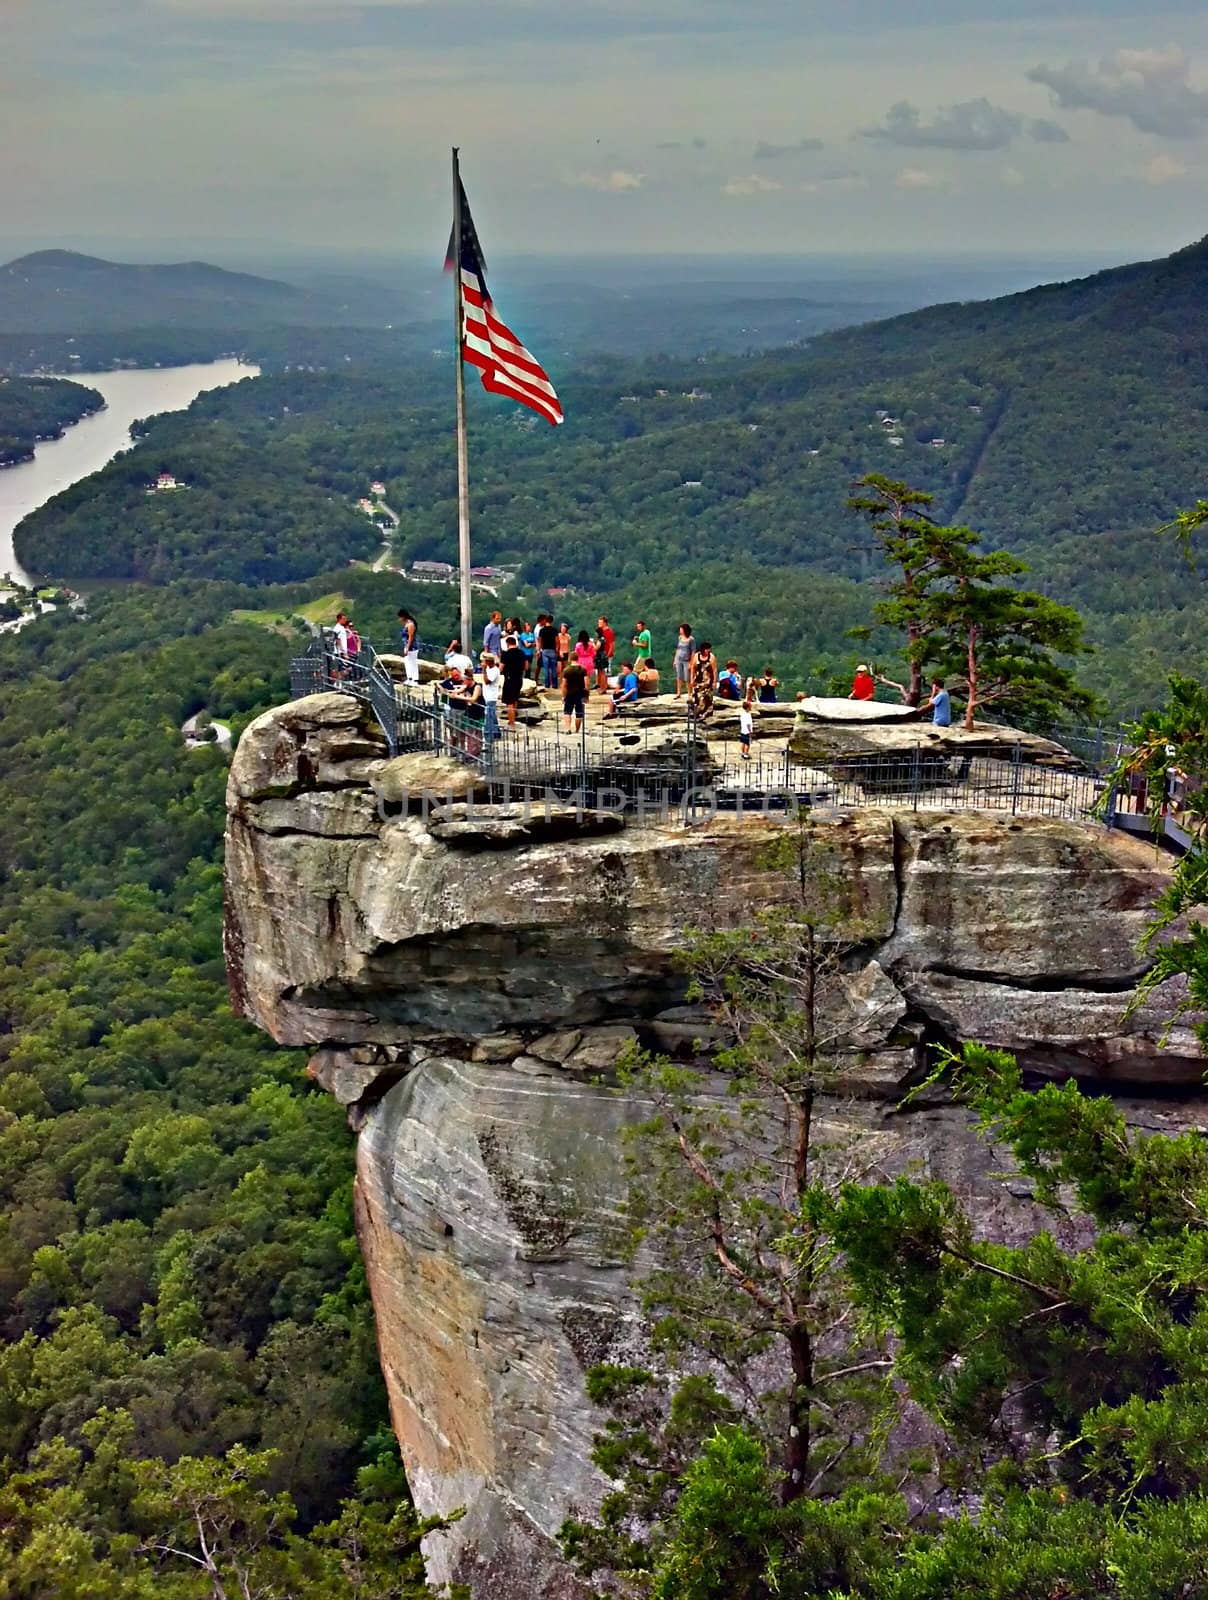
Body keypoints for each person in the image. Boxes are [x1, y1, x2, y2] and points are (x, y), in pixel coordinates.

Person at [500, 633, 526, 728]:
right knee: (515, 699)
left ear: (507, 644)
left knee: (509, 702)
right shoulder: (521, 653)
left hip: (509, 679)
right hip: (519, 678)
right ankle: (514, 719)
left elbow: (501, 668)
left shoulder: (506, 654)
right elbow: (526, 666)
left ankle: (511, 722)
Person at [690, 641, 717, 722]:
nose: (708, 650)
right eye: (707, 649)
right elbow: (693, 668)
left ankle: (704, 713)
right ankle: (696, 713)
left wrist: (714, 682)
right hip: (698, 680)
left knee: (705, 698)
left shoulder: (711, 657)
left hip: (708, 681)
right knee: (695, 697)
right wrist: (692, 678)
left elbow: (714, 670)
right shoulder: (696, 656)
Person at [562, 654, 588, 734]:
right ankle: (577, 730)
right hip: (580, 693)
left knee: (567, 711)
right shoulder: (583, 669)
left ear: (570, 659)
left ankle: (568, 728)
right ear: (578, 658)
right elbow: (586, 684)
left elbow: (564, 685)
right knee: (579, 713)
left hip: (569, 693)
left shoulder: (567, 670)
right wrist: (587, 695)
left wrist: (563, 696)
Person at [480, 651, 502, 741]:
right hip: (486, 695)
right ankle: (497, 732)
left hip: (491, 696)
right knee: (492, 715)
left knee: (488, 717)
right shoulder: (489, 669)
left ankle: (488, 736)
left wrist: (484, 670)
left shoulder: (495, 670)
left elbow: (487, 681)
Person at [537, 614, 559, 690]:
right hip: (553, 650)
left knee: (546, 668)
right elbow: (557, 641)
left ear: (546, 620)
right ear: (552, 621)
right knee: (553, 668)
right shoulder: (554, 630)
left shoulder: (542, 630)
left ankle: (547, 684)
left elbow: (540, 641)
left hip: (545, 650)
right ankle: (555, 685)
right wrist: (557, 649)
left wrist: (539, 650)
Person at [397, 609, 419, 685]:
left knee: (413, 662)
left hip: (412, 647)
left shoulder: (410, 624)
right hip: (406, 646)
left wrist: (408, 647)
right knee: (407, 662)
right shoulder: (407, 624)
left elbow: (411, 637)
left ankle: (415, 680)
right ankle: (409, 678)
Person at [673, 622, 695, 697]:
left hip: (687, 660)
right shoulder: (680, 637)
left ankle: (689, 693)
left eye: (681, 629)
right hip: (679, 659)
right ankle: (678, 692)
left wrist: (691, 663)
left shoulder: (691, 639)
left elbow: (693, 651)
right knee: (679, 676)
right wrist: (675, 660)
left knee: (687, 677)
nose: (680, 630)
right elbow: (678, 649)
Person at [594, 625, 611, 693]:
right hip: (602, 655)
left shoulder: (600, 639)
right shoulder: (603, 639)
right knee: (601, 672)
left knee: (601, 672)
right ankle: (602, 687)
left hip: (600, 656)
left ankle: (603, 688)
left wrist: (593, 644)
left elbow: (596, 648)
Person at [739, 695, 754, 761]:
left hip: (742, 730)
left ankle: (742, 753)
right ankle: (746, 754)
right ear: (748, 708)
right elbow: (748, 724)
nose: (751, 707)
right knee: (747, 743)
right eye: (750, 706)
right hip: (747, 731)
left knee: (743, 742)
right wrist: (750, 731)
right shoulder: (748, 715)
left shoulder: (742, 713)